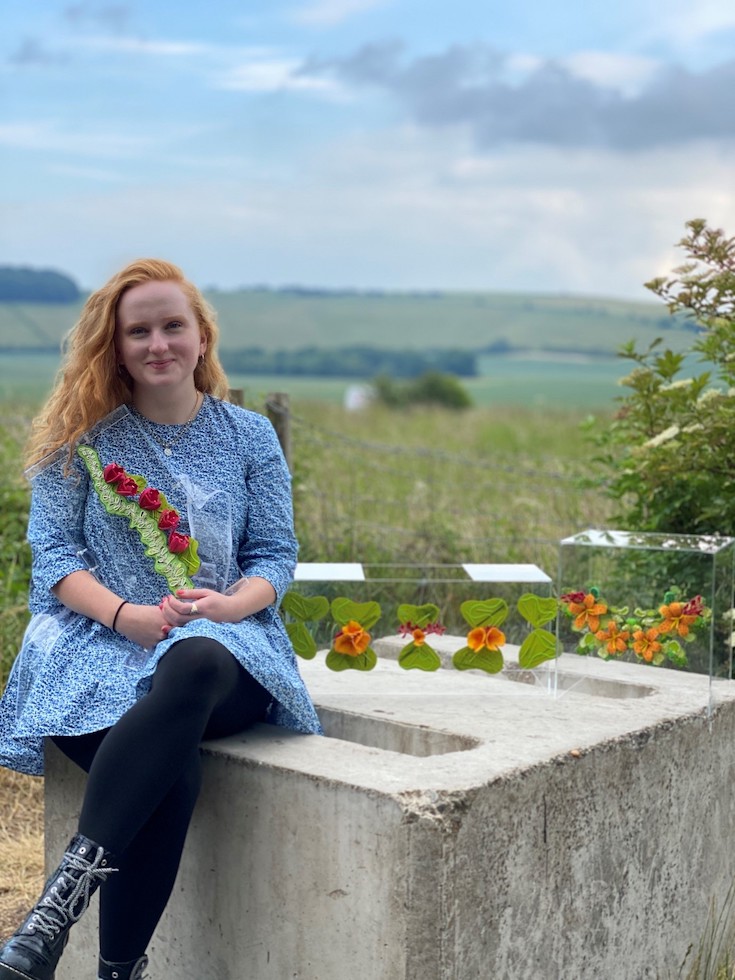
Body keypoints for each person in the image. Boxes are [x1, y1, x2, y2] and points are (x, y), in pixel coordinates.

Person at [0, 258, 322, 980]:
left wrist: (228, 605)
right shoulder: (77, 439)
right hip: (94, 649)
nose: (157, 344)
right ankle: (116, 970)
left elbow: (274, 555)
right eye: (137, 331)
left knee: (197, 657)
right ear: (113, 348)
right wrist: (125, 616)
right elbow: (52, 558)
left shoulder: (248, 436)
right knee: (167, 778)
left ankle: (53, 910)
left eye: (172, 326)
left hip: (221, 654)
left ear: (201, 337)